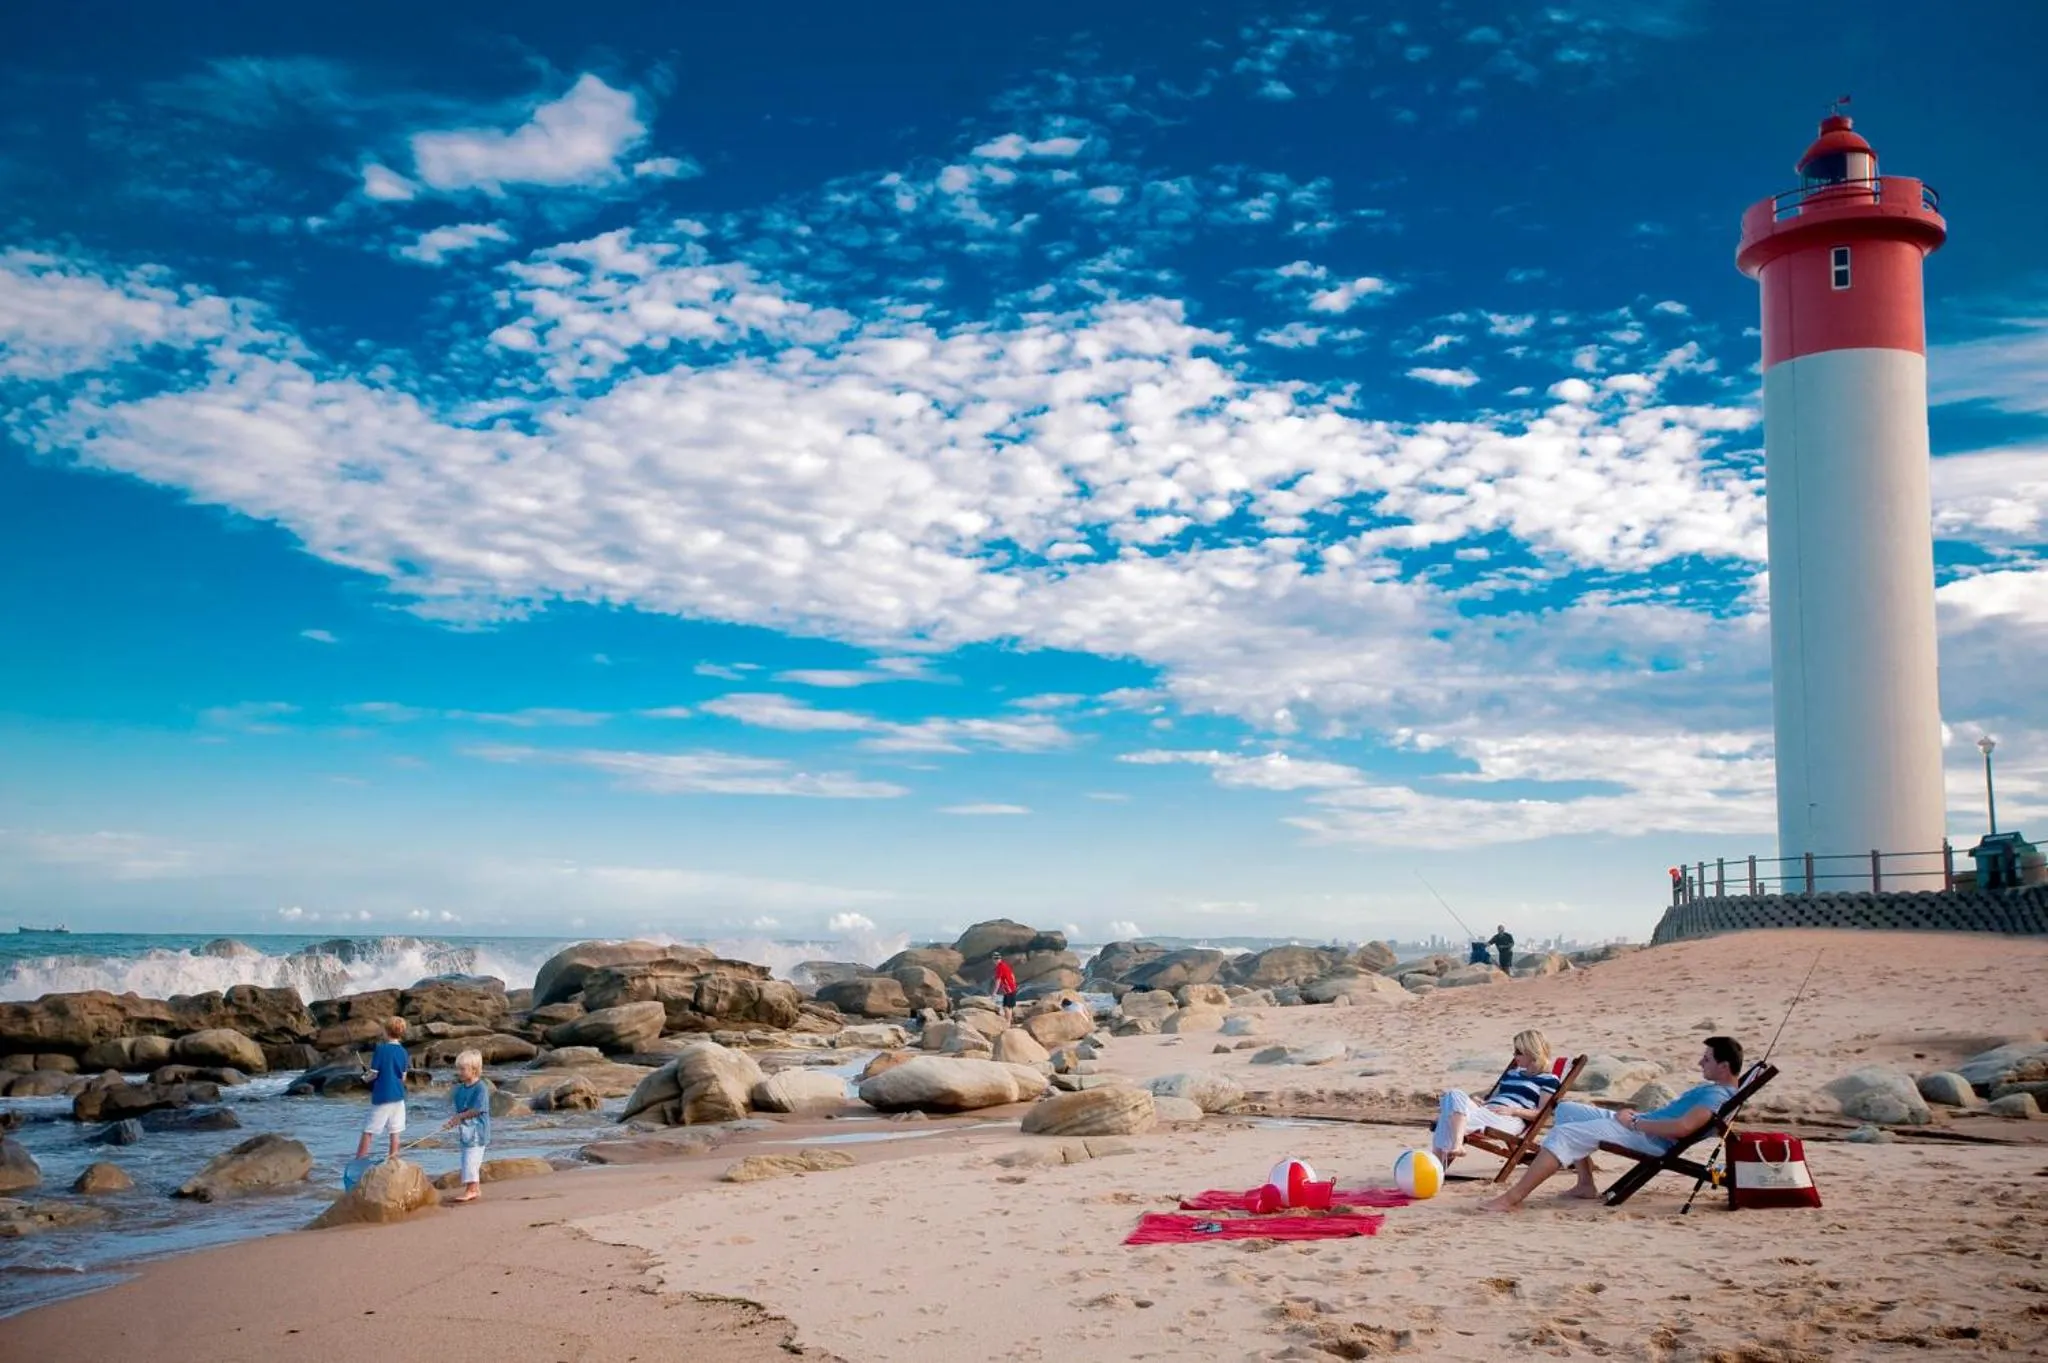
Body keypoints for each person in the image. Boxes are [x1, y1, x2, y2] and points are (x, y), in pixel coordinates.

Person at [1479, 1036, 1744, 1212]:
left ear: (1724, 1066)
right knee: (1567, 1110)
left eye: (1707, 1059)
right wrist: (1638, 1118)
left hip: (1649, 1138)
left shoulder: (1715, 1096)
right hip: (1641, 1125)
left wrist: (1636, 1123)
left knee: (1565, 1134)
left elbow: (1683, 1128)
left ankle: (1512, 1198)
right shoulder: (1716, 1089)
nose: (1700, 1062)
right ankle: (1585, 1184)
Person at [1431, 1029, 1559, 1167]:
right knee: (1453, 1094)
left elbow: (1542, 1114)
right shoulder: (1512, 1074)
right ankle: (1452, 1152)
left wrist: (1514, 1111)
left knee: (1447, 1117)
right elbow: (1496, 1098)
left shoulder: (1549, 1080)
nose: (1514, 1055)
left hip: (1509, 1119)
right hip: (1488, 1112)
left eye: (1518, 1052)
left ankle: (1438, 1165)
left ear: (1532, 1052)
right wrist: (1482, 1103)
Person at [354, 1017, 411, 1163]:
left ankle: (359, 1161)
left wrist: (363, 1079)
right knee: (395, 1132)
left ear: (386, 1032)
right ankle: (393, 1161)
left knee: (369, 1130)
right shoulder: (404, 1052)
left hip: (382, 1097)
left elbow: (373, 1074)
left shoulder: (381, 1049)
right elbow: (403, 1077)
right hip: (398, 1098)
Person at [442, 1048, 491, 1204]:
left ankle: (471, 1190)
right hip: (466, 1131)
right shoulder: (461, 1089)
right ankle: (475, 1188)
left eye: (463, 1069)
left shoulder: (481, 1088)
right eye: (459, 1069)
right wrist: (453, 1121)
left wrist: (460, 1117)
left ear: (474, 1070)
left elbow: (477, 1109)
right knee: (466, 1158)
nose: (460, 1072)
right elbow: (460, 1111)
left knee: (471, 1159)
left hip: (478, 1131)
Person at [992, 954, 1019, 1023]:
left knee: (1006, 1007)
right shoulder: (1005, 965)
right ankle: (1008, 1022)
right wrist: (1014, 984)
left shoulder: (999, 967)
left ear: (994, 960)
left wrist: (994, 992)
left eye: (996, 959)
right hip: (1012, 988)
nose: (996, 960)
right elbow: (1012, 975)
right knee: (1009, 1006)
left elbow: (998, 980)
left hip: (1008, 989)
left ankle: (1008, 1022)